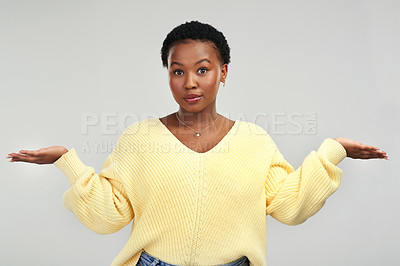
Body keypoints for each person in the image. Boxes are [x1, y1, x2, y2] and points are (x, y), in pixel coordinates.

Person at [6, 21, 388, 266]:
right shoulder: (138, 139)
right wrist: (67, 162)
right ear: (168, 76)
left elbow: (289, 207)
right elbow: (111, 215)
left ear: (223, 73)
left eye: (202, 69)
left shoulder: (254, 141)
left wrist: (332, 151)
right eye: (178, 71)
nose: (190, 82)